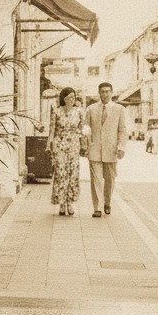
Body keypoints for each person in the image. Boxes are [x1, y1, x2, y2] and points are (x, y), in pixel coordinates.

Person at [83, 81, 129, 218]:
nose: (105, 94)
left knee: (110, 180)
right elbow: (86, 128)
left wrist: (121, 147)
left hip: (112, 150)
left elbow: (122, 130)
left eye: (108, 91)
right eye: (103, 91)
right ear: (99, 93)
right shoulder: (91, 109)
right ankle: (97, 207)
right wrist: (85, 144)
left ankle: (107, 202)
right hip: (95, 149)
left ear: (112, 93)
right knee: (96, 179)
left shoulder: (119, 109)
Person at [45, 86, 86, 216]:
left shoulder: (79, 112)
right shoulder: (56, 112)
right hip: (59, 145)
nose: (71, 100)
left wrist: (84, 144)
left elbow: (82, 129)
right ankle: (62, 203)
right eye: (68, 97)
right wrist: (49, 144)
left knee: (73, 173)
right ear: (63, 98)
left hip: (74, 145)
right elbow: (52, 129)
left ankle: (70, 202)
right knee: (60, 172)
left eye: (73, 97)